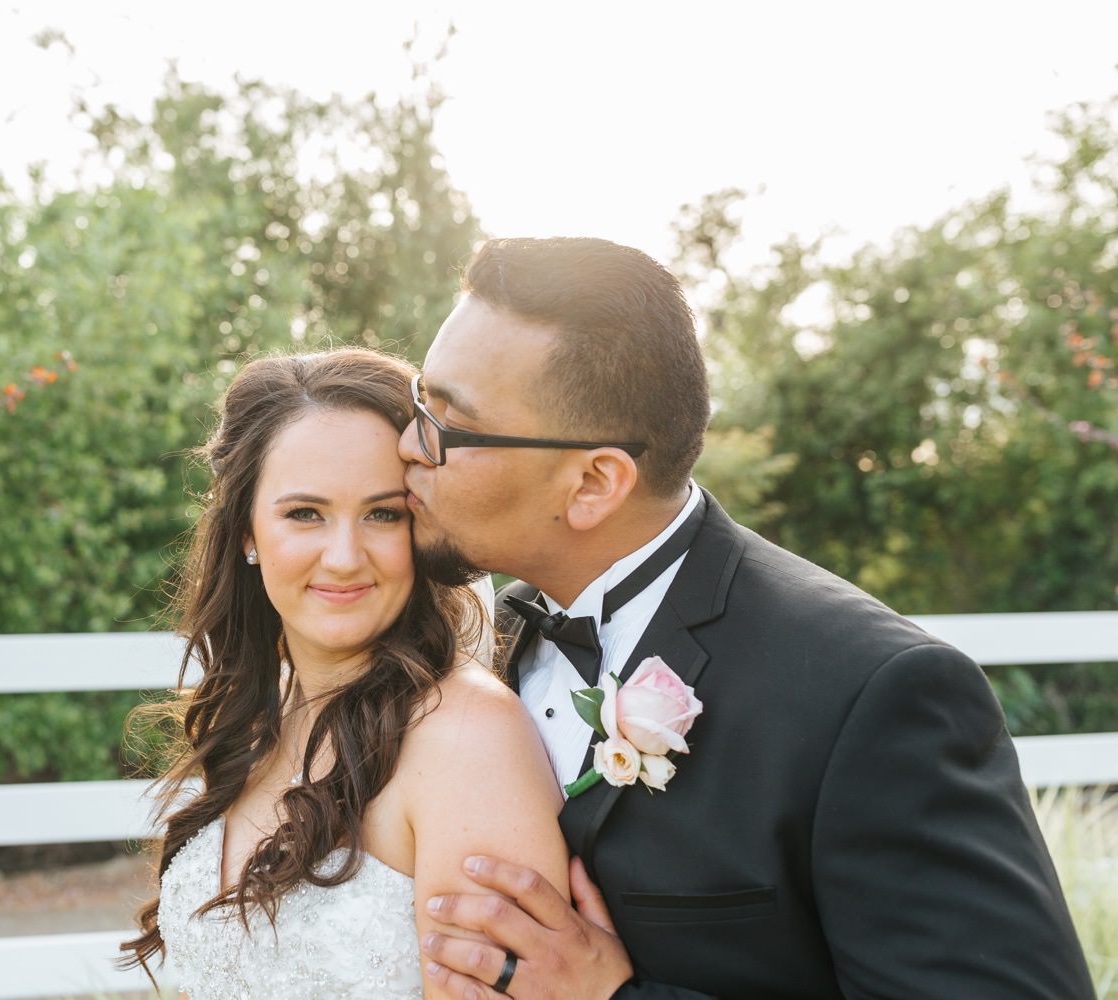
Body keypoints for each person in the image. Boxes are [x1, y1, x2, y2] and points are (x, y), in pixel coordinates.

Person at [401, 237, 1095, 999]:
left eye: (447, 425)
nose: (408, 446)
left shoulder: (871, 694)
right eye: (417, 405)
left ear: (595, 483)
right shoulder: (484, 640)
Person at [118, 347, 569, 999]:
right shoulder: (258, 715)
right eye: (305, 513)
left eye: (383, 514)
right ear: (247, 530)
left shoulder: (466, 738)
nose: (344, 556)